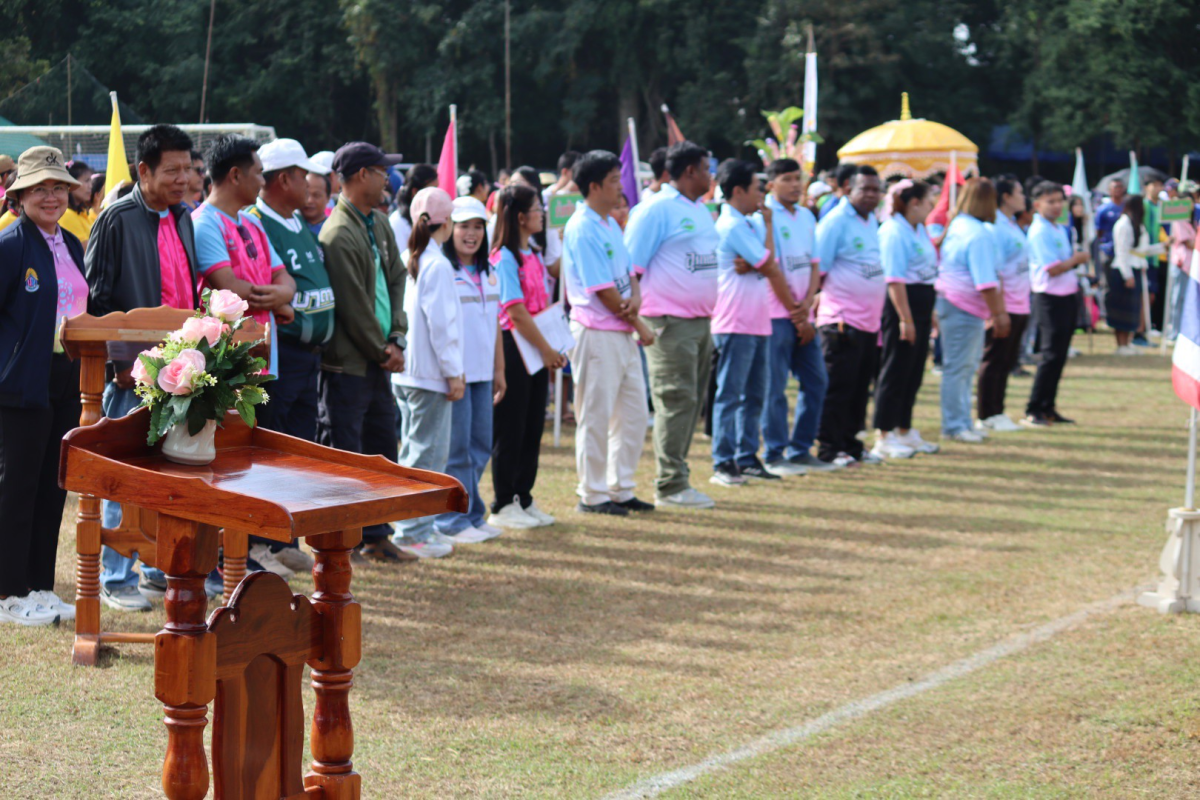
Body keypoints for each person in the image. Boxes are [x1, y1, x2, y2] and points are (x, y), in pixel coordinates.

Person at [85, 124, 202, 610]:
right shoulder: (116, 218)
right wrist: (118, 362)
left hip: (183, 367)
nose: (182, 179)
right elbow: (98, 297)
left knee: (170, 472)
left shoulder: (185, 217)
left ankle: (158, 568)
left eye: (188, 170)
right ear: (144, 170)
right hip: (132, 371)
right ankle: (115, 578)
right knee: (124, 472)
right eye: (171, 171)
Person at [0, 146, 88, 625]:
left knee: (51, 489)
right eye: (40, 188)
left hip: (63, 379)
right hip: (19, 383)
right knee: (16, 488)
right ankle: (8, 593)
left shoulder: (70, 243)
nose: (51, 196)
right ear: (21, 195)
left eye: (58, 187)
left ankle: (39, 586)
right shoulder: (11, 246)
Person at [317, 142, 410, 562]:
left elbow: (397, 277)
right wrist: (382, 347)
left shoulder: (378, 222)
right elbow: (353, 304)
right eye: (379, 170)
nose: (387, 178)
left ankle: (376, 533)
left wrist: (398, 337)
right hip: (350, 363)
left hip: (378, 357)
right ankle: (343, 539)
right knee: (348, 451)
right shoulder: (338, 232)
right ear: (358, 176)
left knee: (382, 446)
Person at [623, 141, 720, 509]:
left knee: (691, 403)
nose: (711, 176)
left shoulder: (699, 209)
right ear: (690, 171)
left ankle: (678, 476)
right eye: (707, 168)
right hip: (668, 322)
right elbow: (631, 268)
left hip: (699, 321)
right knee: (676, 400)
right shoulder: (655, 210)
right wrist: (638, 321)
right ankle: (670, 485)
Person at [563, 150, 653, 515]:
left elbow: (628, 270)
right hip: (596, 332)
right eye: (615, 180)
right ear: (595, 186)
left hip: (621, 330)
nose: (621, 187)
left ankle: (621, 487)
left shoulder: (609, 223)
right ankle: (593, 493)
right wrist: (639, 323)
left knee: (632, 413)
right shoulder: (582, 226)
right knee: (596, 415)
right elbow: (602, 288)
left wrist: (637, 297)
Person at [709, 159, 805, 485]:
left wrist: (764, 232)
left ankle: (747, 458)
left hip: (756, 319)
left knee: (754, 396)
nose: (761, 195)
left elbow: (767, 261)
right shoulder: (732, 225)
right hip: (735, 319)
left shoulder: (748, 222)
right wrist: (762, 264)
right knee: (731, 395)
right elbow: (769, 265)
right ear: (738, 191)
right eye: (757, 188)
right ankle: (723, 462)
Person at [389, 187, 466, 558]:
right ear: (446, 223)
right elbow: (443, 326)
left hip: (408, 372)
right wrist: (454, 372)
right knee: (427, 457)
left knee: (416, 452)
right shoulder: (436, 264)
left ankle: (417, 526)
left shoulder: (411, 257)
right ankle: (412, 531)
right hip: (428, 374)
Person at [248, 138, 335, 443]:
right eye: (303, 175)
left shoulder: (297, 219)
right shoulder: (254, 222)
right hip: (281, 356)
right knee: (275, 448)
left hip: (310, 358)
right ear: (284, 179)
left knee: (303, 448)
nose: (309, 183)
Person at [488, 184, 564, 528]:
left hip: (535, 347)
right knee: (511, 426)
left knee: (533, 425)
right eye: (536, 209)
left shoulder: (532, 252)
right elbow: (515, 311)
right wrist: (547, 348)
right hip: (514, 347)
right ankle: (504, 501)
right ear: (520, 217)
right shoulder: (503, 257)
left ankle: (524, 495)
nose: (541, 215)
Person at [432, 196, 506, 541]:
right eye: (464, 226)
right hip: (456, 375)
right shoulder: (444, 270)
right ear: (450, 229)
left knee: (480, 445)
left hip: (483, 375)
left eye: (478, 226)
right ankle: (450, 521)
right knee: (457, 449)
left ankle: (473, 514)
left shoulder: (490, 273)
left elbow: (494, 329)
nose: (471, 234)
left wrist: (499, 371)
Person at [193, 135, 296, 377]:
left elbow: (283, 275)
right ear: (236, 175)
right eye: (259, 173)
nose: (262, 181)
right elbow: (229, 288)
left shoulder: (252, 221)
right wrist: (280, 300)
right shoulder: (204, 223)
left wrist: (286, 293)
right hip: (228, 364)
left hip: (264, 358)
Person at [757, 159, 834, 475]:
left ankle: (800, 448)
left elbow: (815, 264)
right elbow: (770, 269)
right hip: (775, 314)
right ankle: (775, 454)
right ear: (771, 184)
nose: (795, 185)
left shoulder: (806, 216)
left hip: (804, 312)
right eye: (787, 179)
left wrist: (808, 306)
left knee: (816, 380)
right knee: (774, 388)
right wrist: (795, 310)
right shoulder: (763, 218)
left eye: (798, 179)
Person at [813, 165, 886, 467]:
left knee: (859, 388)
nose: (871, 195)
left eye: (875, 189)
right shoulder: (835, 222)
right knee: (838, 387)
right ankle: (830, 447)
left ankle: (852, 444)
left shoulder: (871, 221)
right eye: (864, 189)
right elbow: (819, 270)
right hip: (841, 319)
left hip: (869, 321)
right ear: (847, 189)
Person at [934, 178, 1010, 443]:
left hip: (957, 303)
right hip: (962, 305)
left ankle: (962, 420)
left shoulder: (959, 225)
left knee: (964, 368)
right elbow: (986, 281)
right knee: (959, 368)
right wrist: (999, 314)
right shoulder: (977, 233)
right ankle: (955, 424)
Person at [871, 179, 939, 458]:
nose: (932, 207)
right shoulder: (893, 231)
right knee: (895, 369)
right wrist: (905, 319)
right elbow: (895, 279)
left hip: (921, 304)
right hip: (902, 305)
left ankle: (904, 428)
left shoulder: (918, 229)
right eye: (928, 201)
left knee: (913, 371)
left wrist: (928, 314)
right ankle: (884, 434)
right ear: (914, 203)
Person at [1024, 181, 1088, 426]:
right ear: (1037, 204)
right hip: (1049, 298)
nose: (1057, 206)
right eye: (1051, 202)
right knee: (1050, 355)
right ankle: (1034, 407)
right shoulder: (1039, 231)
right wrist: (1077, 259)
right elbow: (1053, 269)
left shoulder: (1059, 229)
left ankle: (1048, 406)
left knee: (1059, 355)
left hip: (1066, 295)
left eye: (1060, 201)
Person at [976, 175, 1031, 433]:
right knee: (994, 358)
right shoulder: (994, 227)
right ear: (1006, 197)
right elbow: (994, 271)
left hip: (1019, 303)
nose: (1024, 198)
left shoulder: (1009, 223)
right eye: (1020, 192)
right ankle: (987, 413)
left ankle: (998, 410)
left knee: (1005, 360)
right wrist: (995, 311)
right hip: (1004, 305)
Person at [1107, 195, 1154, 355]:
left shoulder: (1137, 224)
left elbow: (1142, 250)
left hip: (1136, 268)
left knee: (1132, 309)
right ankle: (1121, 345)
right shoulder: (1123, 224)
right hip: (1124, 271)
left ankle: (1127, 343)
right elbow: (1122, 252)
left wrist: (1163, 247)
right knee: (1122, 309)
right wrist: (1127, 275)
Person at [390, 163, 438, 256]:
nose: (436, 195)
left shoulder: (433, 218)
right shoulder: (398, 222)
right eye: (432, 190)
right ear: (415, 192)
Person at [1167, 191, 1196, 342]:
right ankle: (1174, 332)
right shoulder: (1178, 220)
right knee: (1177, 299)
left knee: (1189, 299)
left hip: (1193, 265)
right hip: (1181, 263)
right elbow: (1188, 242)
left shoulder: (1193, 219)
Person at [59, 160, 95, 244]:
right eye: (86, 181)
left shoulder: (83, 214)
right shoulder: (67, 215)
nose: (90, 186)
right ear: (72, 183)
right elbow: (87, 251)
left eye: (91, 181)